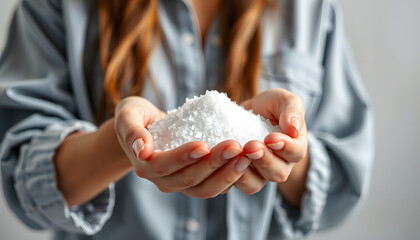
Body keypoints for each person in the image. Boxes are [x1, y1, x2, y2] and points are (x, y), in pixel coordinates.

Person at [0, 0, 374, 239]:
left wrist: (287, 147)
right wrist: (122, 144)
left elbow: (342, 186)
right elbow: (22, 178)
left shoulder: (310, 9)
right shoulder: (57, 6)